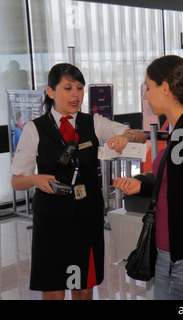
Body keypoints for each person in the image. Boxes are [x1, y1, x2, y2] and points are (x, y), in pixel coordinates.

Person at [10, 63, 147, 300]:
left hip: (87, 215)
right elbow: (17, 181)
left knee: (83, 285)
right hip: (51, 219)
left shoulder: (92, 122)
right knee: (54, 284)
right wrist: (35, 179)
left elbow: (140, 135)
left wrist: (126, 136)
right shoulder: (35, 129)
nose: (76, 94)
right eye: (68, 88)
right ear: (50, 92)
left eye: (80, 88)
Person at [113, 55, 183, 300]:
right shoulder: (181, 128)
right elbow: (178, 184)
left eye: (148, 88)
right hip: (170, 251)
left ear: (165, 87)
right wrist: (142, 186)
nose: (146, 95)